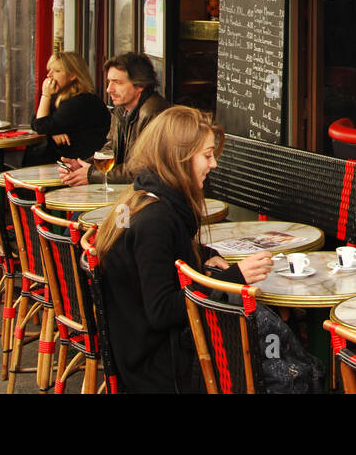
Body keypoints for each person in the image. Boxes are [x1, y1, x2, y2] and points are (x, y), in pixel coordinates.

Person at [94, 107, 320, 393]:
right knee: (276, 355)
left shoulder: (135, 201)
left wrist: (202, 254)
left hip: (135, 352)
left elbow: (147, 256)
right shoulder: (157, 220)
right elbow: (162, 311)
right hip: (163, 369)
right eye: (207, 155)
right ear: (179, 158)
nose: (213, 164)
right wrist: (235, 278)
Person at [59, 52, 169, 187]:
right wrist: (84, 165)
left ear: (140, 85)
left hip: (148, 195)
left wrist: (91, 174)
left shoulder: (155, 114)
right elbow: (111, 148)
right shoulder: (121, 110)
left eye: (117, 82)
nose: (108, 89)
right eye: (109, 82)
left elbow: (144, 169)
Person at [23, 52, 110, 168]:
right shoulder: (61, 97)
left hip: (82, 164)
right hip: (64, 161)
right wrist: (53, 131)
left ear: (73, 75)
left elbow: (40, 125)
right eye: (50, 70)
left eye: (57, 71)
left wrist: (45, 95)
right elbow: (35, 121)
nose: (49, 75)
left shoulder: (81, 101)